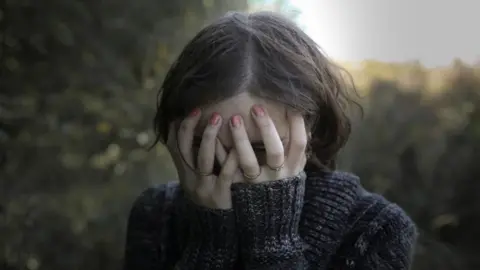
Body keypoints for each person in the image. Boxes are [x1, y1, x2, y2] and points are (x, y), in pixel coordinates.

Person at [123, 11, 418, 270]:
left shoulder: (377, 229)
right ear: (176, 134)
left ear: (311, 130)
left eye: (259, 148)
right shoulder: (155, 214)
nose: (234, 172)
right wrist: (207, 247)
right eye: (208, 146)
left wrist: (273, 245)